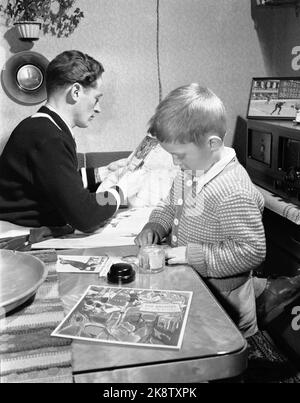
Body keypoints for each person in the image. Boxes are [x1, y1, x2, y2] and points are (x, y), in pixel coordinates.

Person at [135, 83, 300, 337]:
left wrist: (193, 256)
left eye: (179, 155)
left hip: (226, 298)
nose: (174, 163)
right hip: (196, 285)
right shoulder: (190, 170)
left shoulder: (233, 190)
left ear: (212, 144)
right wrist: (156, 224)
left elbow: (251, 251)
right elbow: (170, 204)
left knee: (226, 353)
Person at [0, 50, 136, 234]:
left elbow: (57, 183)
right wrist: (121, 191)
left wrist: (103, 173)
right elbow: (85, 216)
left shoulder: (42, 127)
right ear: (76, 92)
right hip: (16, 239)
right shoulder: (49, 137)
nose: (99, 109)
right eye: (96, 99)